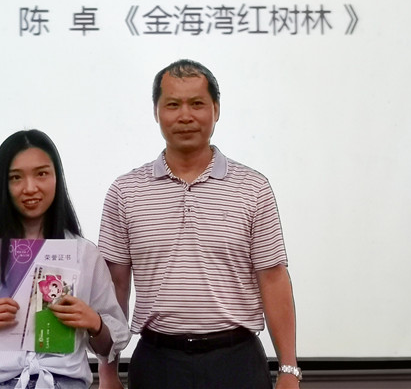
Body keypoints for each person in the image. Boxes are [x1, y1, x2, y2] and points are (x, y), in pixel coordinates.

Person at [97, 60, 300, 389]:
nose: (185, 116)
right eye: (173, 105)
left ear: (216, 109)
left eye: (197, 104)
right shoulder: (126, 191)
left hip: (237, 362)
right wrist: (107, 373)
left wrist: (289, 370)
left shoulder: (253, 188)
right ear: (156, 112)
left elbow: (273, 279)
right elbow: (114, 288)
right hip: (157, 363)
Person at [0, 129, 130, 389]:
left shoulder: (84, 254)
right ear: (2, 185)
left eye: (41, 174)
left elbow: (110, 345)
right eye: (16, 177)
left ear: (57, 177)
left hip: (63, 383)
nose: (30, 188)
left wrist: (95, 323)